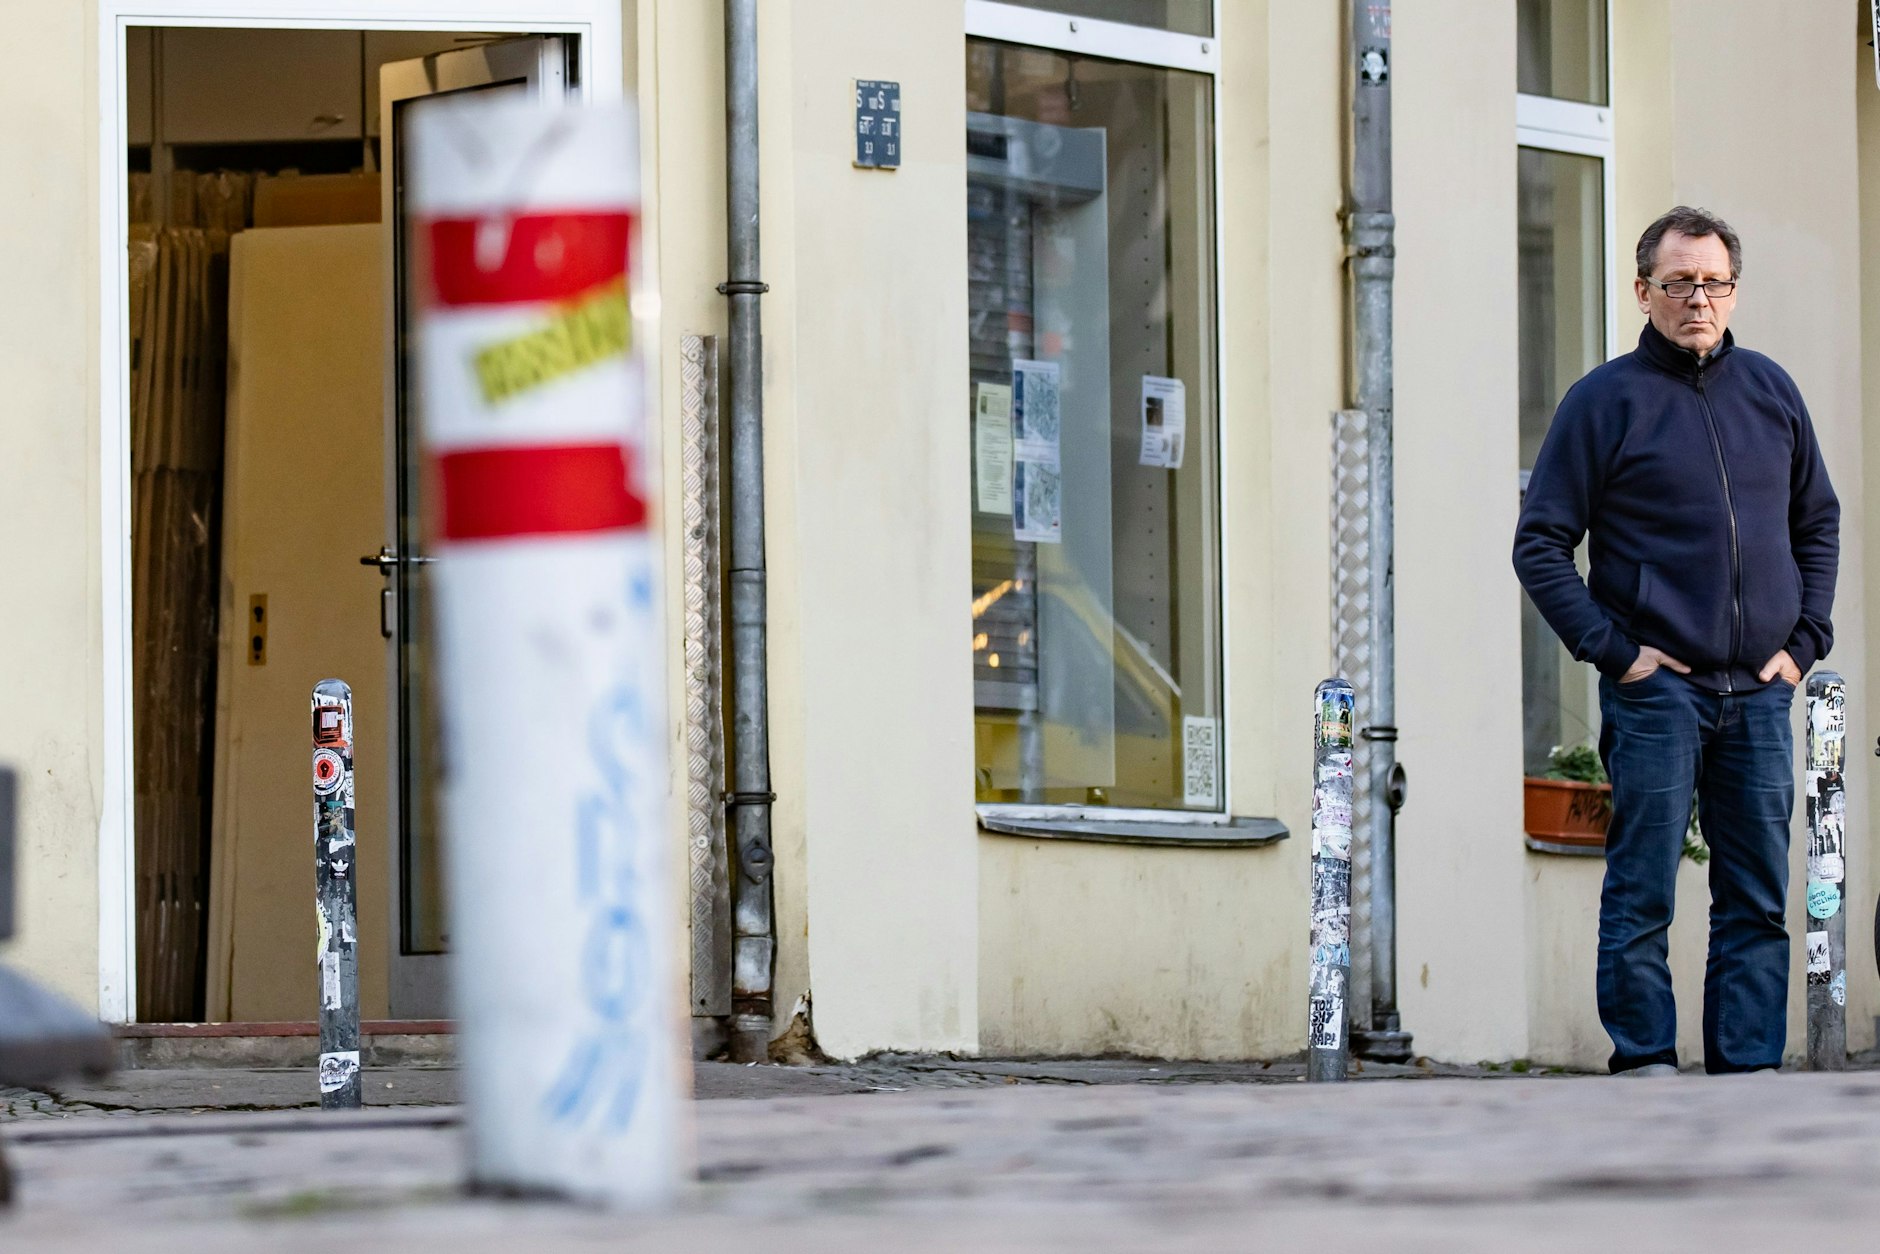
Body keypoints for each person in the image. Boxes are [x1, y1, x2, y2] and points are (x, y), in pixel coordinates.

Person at [1513, 206, 1840, 1076]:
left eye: (1715, 282)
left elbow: (1818, 521)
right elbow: (1539, 544)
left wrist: (1803, 644)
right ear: (1642, 291)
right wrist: (1616, 653)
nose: (1699, 298)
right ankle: (1648, 1066)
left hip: (1760, 693)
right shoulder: (1604, 402)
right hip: (1658, 690)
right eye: (1680, 283)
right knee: (1642, 892)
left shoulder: (1771, 391)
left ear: (1734, 289)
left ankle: (1745, 1073)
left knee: (1755, 901)